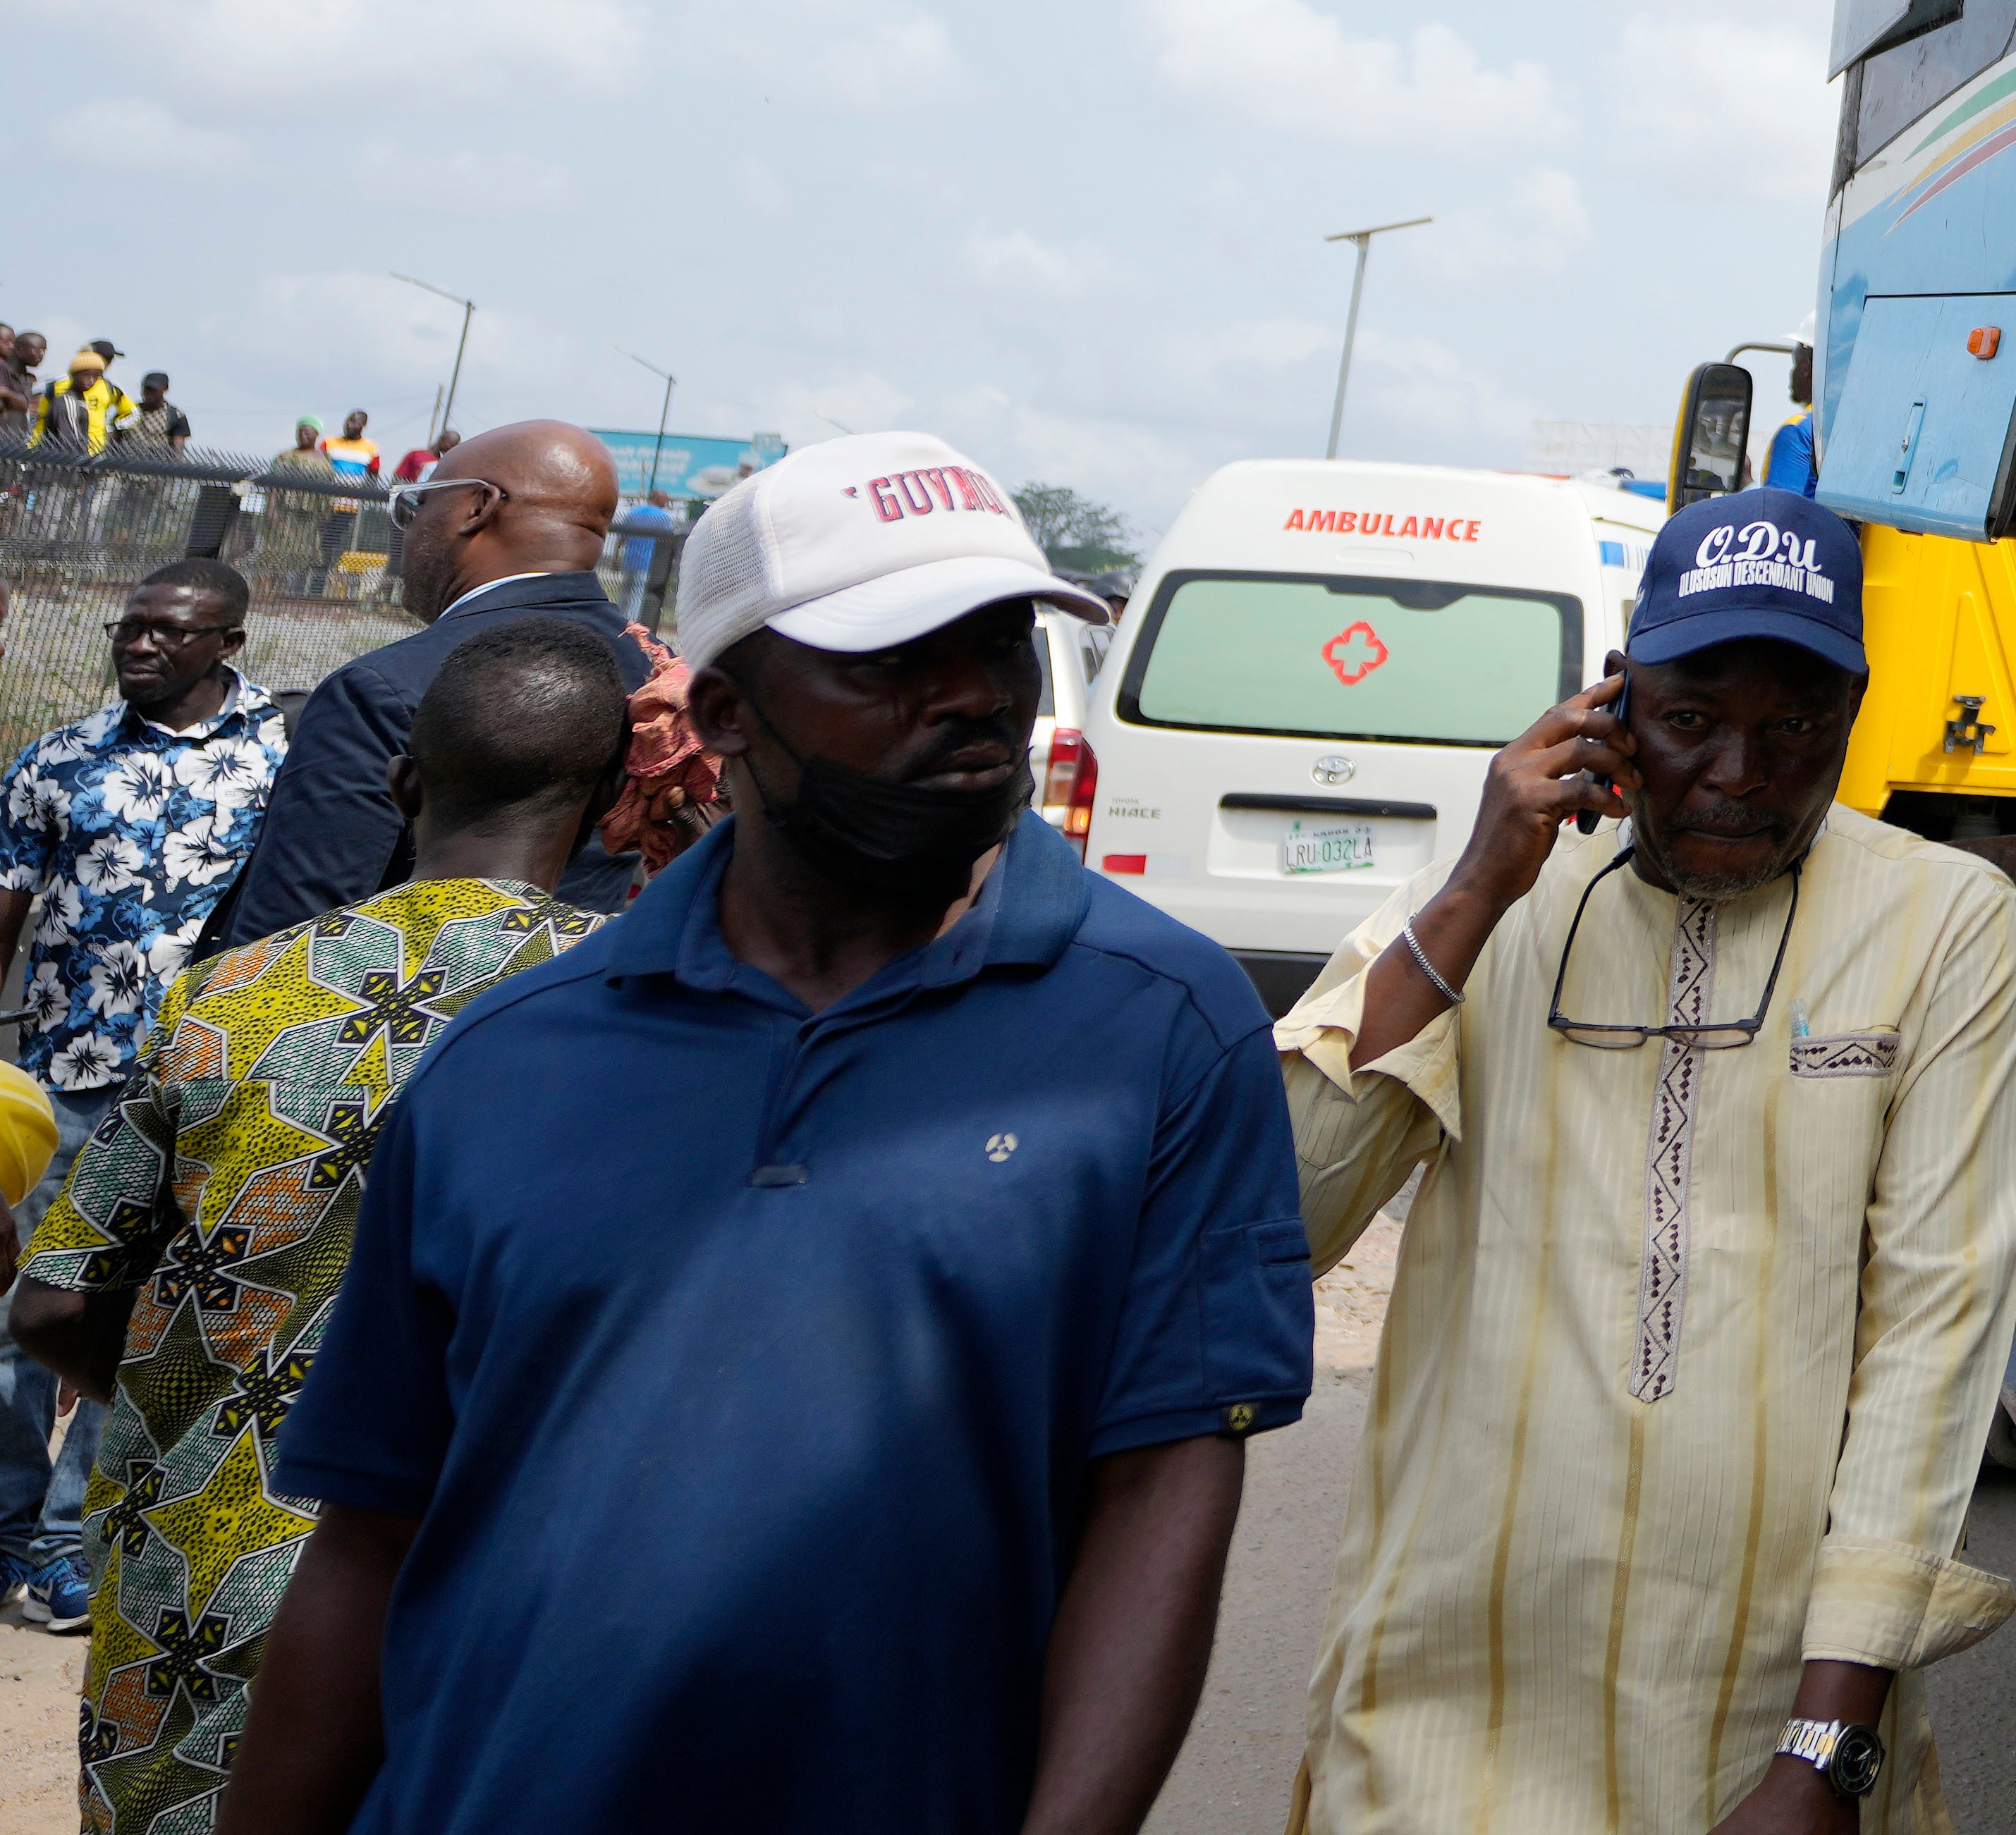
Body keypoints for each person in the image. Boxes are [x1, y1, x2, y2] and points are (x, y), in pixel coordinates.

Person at [224, 430, 1307, 1835]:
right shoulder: (512, 1056)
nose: (975, 694)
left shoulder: (1161, 1029)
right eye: (894, 658)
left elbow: (1163, 1486)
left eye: (1001, 642)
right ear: (728, 713)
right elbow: (371, 1535)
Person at [1278, 488, 2016, 1835]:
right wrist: (1474, 894)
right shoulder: (1500, 895)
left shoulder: (1946, 924)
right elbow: (1285, 1215)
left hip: (1754, 1725)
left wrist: (1824, 1751)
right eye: (1691, 721)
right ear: (1615, 702)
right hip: (1445, 1709)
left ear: (1854, 716)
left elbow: (1935, 1334)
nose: (1740, 774)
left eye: (1794, 728)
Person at [13, 620, 633, 1829]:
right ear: (612, 805)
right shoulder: (641, 1012)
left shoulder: (231, 997)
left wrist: (198, 1397)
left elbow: (51, 1304)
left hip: (205, 1587)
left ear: (402, 784)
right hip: (489, 1593)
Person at [0, 563, 289, 1633]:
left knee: (136, 1316)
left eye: (170, 630)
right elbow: (6, 902)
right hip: (64, 1078)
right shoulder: (61, 758)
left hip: (203, 1083)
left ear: (228, 643)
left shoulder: (286, 761)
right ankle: (6, 1530)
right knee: (21, 1308)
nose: (141, 644)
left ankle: (69, 1548)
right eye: (130, 627)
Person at [201, 421, 651, 955]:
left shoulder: (380, 691)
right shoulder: (656, 674)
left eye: (417, 505)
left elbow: (283, 942)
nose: (409, 530)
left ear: (478, 507)